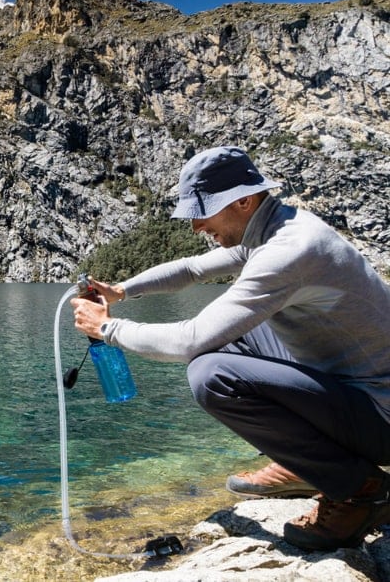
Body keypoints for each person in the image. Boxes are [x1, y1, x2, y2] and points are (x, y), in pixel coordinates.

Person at [71, 145, 390, 551]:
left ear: (243, 201)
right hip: (359, 389)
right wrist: (121, 291)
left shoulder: (289, 250)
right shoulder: (277, 226)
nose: (195, 226)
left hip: (382, 415)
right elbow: (191, 269)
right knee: (231, 338)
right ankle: (308, 465)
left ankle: (360, 491)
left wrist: (109, 328)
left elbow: (190, 340)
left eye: (201, 212)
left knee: (211, 375)